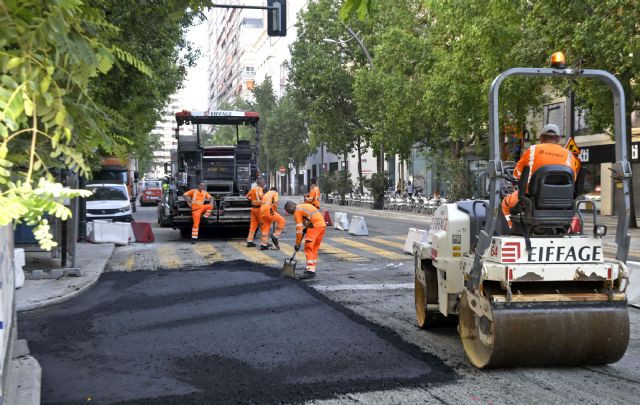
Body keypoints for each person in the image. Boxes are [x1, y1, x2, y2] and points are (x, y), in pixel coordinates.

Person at [501, 124, 580, 227]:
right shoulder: (569, 155)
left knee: (505, 203)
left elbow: (517, 174)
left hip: (533, 199)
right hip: (563, 201)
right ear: (558, 139)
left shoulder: (533, 150)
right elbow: (573, 178)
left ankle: (512, 228)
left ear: (541, 137)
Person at [284, 201, 326, 279]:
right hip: (321, 225)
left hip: (314, 227)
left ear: (291, 207)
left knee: (308, 248)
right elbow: (309, 218)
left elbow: (299, 229)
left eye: (289, 211)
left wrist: (297, 243)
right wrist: (306, 228)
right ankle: (311, 269)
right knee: (314, 249)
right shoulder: (303, 206)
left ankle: (310, 272)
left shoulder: (297, 211)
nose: (290, 213)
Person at [246, 177, 265, 247]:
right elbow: (260, 196)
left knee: (253, 226)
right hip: (259, 209)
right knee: (263, 225)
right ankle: (264, 242)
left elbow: (247, 196)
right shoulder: (260, 189)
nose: (264, 183)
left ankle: (249, 241)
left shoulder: (253, 189)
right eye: (264, 182)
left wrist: (253, 200)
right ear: (260, 183)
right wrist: (264, 199)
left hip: (253, 209)